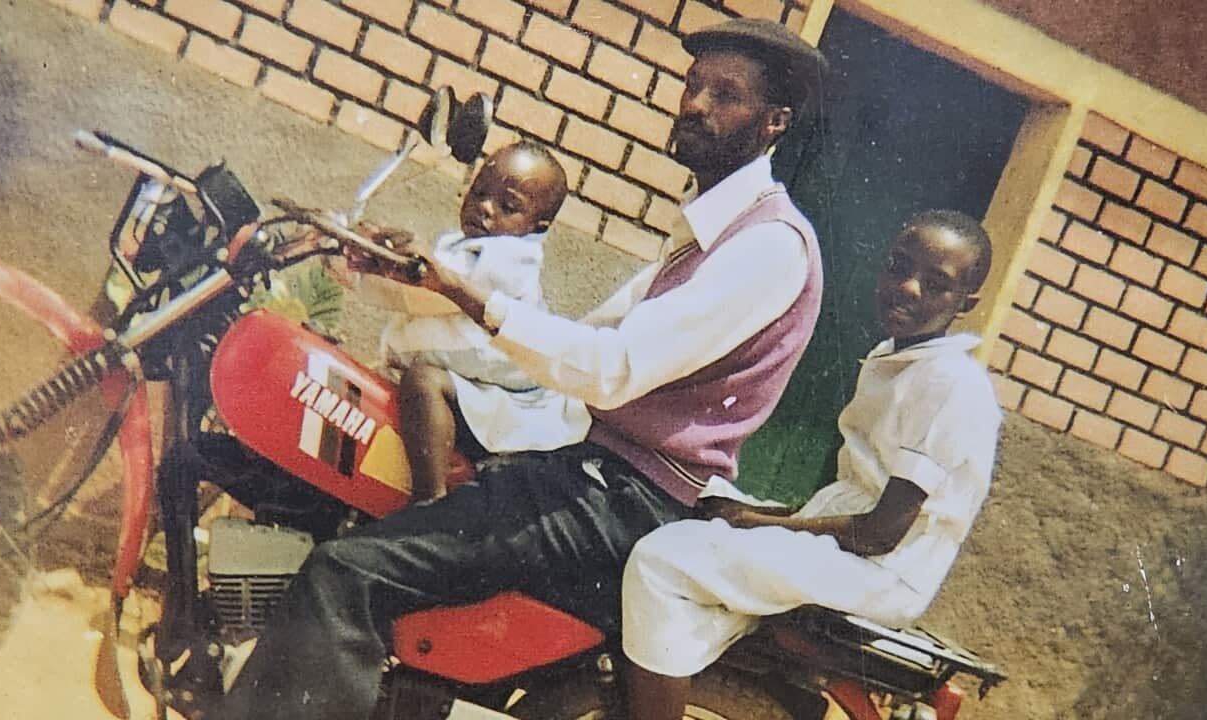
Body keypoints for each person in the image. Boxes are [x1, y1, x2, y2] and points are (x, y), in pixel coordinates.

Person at [213, 18, 828, 720]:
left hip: (619, 499)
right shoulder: (704, 235)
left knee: (347, 573)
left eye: (726, 95)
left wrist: (464, 294)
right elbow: (581, 338)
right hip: (595, 475)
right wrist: (422, 279)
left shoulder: (768, 248)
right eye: (693, 86)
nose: (695, 105)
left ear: (774, 123)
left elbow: (611, 368)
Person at [620, 210, 1001, 720]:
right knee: (697, 515)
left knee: (662, 561)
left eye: (936, 285)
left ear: (966, 303)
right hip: (852, 549)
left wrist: (759, 521)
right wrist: (760, 513)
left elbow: (880, 533)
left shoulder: (951, 384)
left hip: (882, 571)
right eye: (899, 267)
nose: (908, 288)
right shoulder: (900, 358)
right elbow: (858, 495)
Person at [355, 141, 591, 500]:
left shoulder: (512, 260)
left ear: (536, 226)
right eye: (480, 192)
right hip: (476, 380)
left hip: (508, 399)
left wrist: (374, 267)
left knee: (423, 382)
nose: (485, 207)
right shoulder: (463, 246)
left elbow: (428, 290)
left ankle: (428, 501)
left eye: (508, 206)